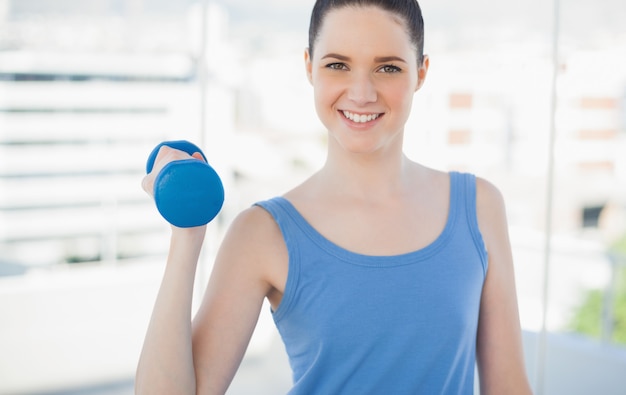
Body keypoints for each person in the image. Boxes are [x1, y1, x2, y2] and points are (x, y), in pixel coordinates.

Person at [136, 0, 532, 394]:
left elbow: (510, 388)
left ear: (421, 72)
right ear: (309, 67)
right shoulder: (262, 233)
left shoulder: (479, 207)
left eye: (388, 67)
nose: (361, 94)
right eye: (337, 65)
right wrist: (186, 236)